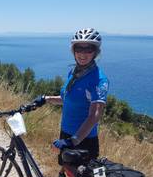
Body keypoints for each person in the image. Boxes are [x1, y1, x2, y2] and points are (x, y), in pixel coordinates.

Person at [45, 28, 109, 163]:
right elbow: (67, 99)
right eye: (79, 48)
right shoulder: (74, 72)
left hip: (83, 140)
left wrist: (74, 140)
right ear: (73, 50)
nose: (83, 54)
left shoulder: (98, 79)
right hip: (66, 134)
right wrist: (46, 99)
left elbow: (95, 115)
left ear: (95, 52)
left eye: (88, 49)